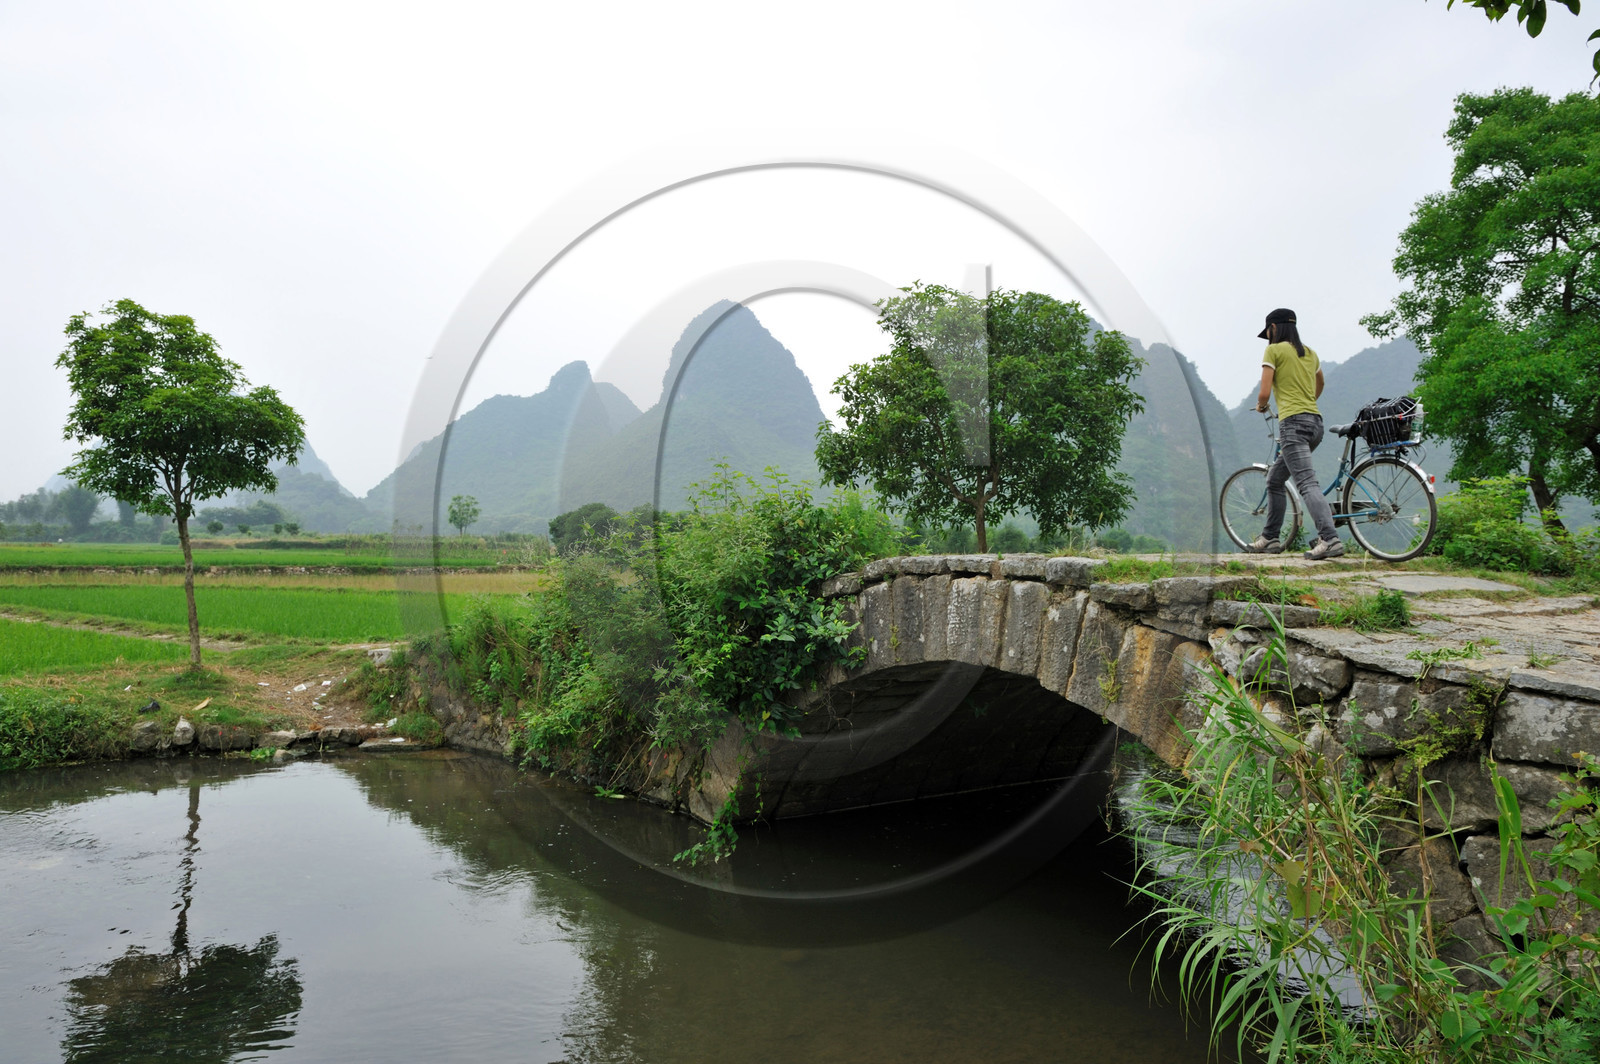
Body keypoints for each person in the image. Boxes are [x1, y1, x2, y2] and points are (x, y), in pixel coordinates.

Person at [1250, 307, 1343, 560]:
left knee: (1306, 483)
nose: (1268, 337)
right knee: (1275, 479)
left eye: (1268, 332)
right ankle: (1270, 537)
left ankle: (1329, 538)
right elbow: (1320, 382)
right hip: (1315, 424)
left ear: (1273, 328)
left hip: (1293, 424)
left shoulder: (1274, 350)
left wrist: (1261, 406)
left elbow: (1264, 392)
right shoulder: (1310, 352)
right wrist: (1308, 401)